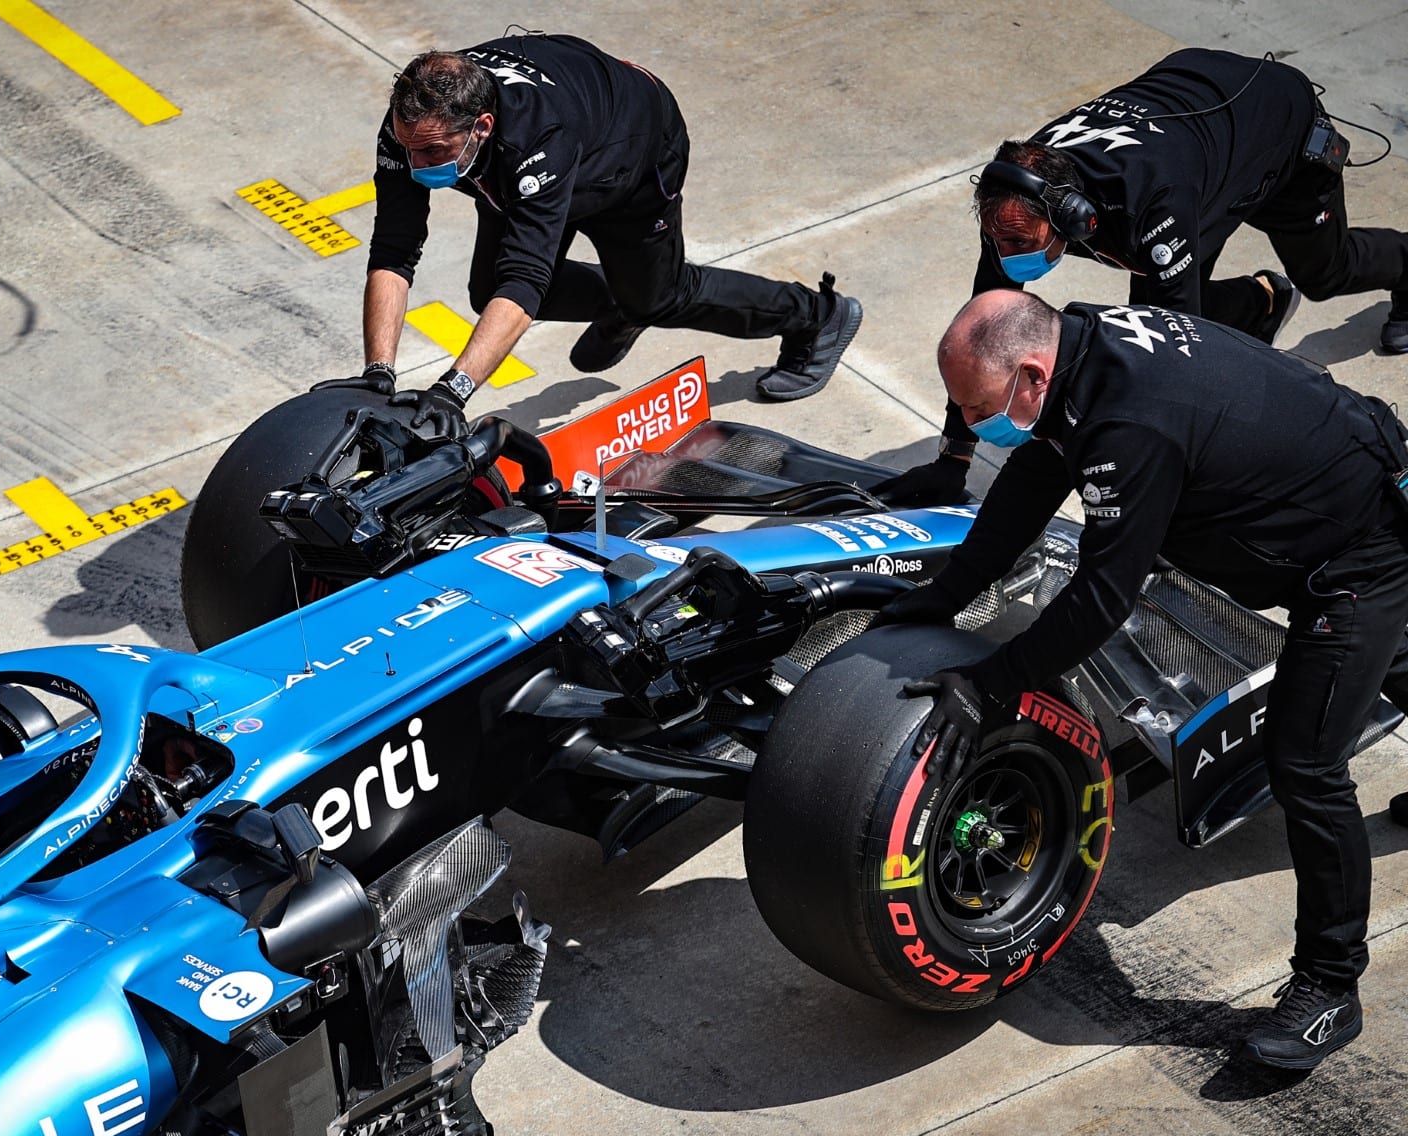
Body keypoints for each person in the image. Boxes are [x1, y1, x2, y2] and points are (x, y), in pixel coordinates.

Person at [877, 290, 1408, 1069]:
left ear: (1030, 374)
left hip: (1357, 552)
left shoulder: (1129, 426)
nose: (972, 423)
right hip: (1317, 498)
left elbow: (1102, 596)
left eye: (978, 406)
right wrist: (949, 593)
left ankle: (1330, 990)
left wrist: (993, 680)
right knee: (1384, 669)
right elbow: (1035, 472)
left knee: (1305, 758)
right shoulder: (1081, 347)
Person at [881, 48, 1408, 506]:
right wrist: (955, 457)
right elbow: (982, 336)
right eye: (1000, 241)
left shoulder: (1150, 203)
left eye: (1020, 244)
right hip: (1199, 122)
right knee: (1154, 316)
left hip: (1274, 128)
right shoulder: (1013, 202)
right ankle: (1257, 304)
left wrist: (1148, 492)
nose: (1006, 253)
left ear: (1075, 217)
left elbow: (1176, 361)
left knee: (1322, 274)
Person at [318, 34, 862, 432]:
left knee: (657, 296)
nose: (416, 163)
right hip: (534, 163)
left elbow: (526, 279)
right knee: (488, 293)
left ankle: (818, 316)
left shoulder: (534, 138)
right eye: (407, 145)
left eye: (433, 153)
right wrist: (379, 374)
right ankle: (620, 301)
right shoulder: (418, 125)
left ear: (480, 127)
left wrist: (452, 392)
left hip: (631, 151)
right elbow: (393, 251)